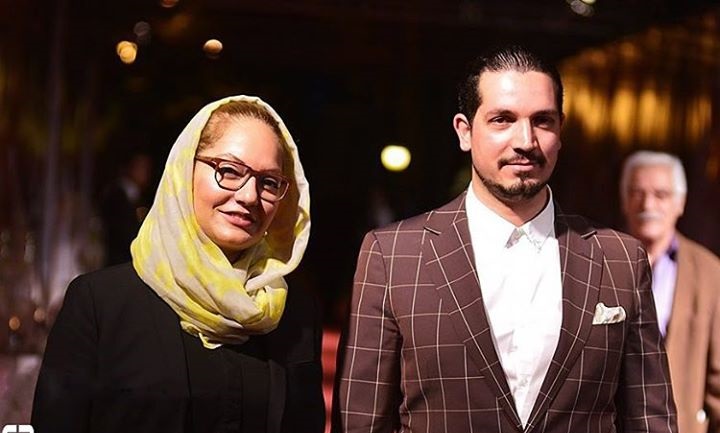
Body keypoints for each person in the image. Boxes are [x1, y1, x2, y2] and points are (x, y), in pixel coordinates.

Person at [333, 46, 677, 433]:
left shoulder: (619, 258)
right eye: (502, 120)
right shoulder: (394, 255)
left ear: (560, 131)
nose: (525, 140)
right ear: (464, 131)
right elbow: (361, 422)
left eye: (542, 121)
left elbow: (649, 419)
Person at [32, 95, 324, 433]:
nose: (248, 196)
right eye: (228, 171)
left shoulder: (292, 312)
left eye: (269, 182)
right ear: (184, 171)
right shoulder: (101, 304)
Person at [620, 150, 720, 433]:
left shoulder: (710, 272)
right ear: (624, 200)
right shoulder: (598, 261)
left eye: (661, 194)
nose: (647, 204)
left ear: (680, 203)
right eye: (637, 193)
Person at [99, 147, 152, 266]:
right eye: (141, 167)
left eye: (147, 168)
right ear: (129, 167)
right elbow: (122, 232)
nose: (145, 173)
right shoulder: (116, 196)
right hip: (119, 261)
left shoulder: (138, 197)